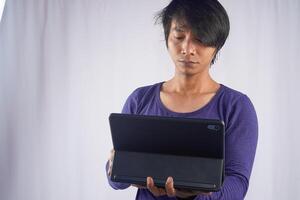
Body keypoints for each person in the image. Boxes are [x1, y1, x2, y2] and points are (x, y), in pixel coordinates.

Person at [106, 0, 258, 199]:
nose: (187, 48)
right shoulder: (140, 99)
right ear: (167, 37)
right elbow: (115, 181)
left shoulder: (236, 107)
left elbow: (237, 186)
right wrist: (116, 167)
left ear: (217, 45)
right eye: (179, 36)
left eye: (200, 39)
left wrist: (192, 195)